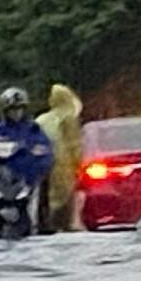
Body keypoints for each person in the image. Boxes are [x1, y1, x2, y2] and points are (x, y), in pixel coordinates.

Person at [32, 82, 85, 233]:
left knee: (45, 196)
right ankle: (63, 225)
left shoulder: (41, 119)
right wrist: (78, 164)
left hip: (42, 164)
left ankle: (43, 224)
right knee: (64, 196)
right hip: (63, 163)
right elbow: (74, 143)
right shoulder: (68, 117)